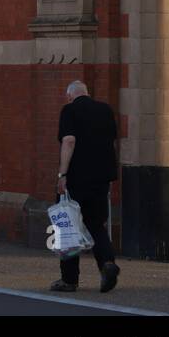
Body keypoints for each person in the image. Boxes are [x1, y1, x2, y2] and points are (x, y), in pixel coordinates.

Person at [52, 80, 120, 293]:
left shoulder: (69, 110)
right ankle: (107, 263)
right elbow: (112, 141)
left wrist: (62, 174)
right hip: (100, 179)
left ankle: (69, 280)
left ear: (70, 96)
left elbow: (69, 141)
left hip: (76, 179)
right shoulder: (106, 110)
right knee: (96, 224)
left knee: (67, 228)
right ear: (87, 93)